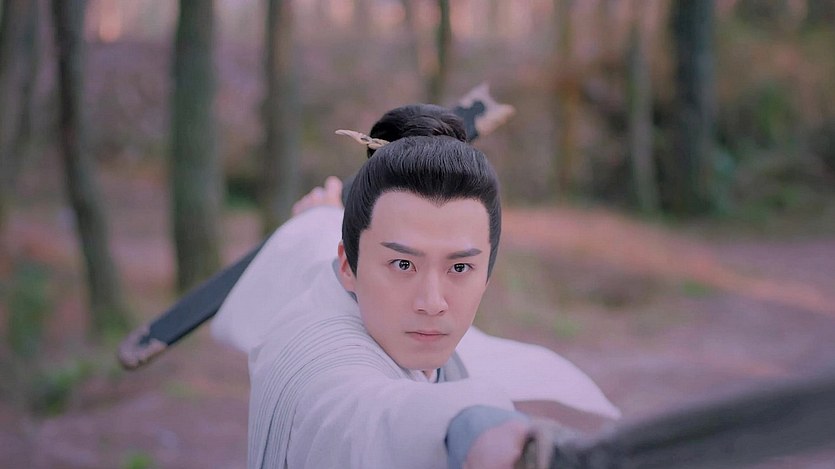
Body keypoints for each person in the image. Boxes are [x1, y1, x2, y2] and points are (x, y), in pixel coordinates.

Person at [212, 105, 619, 468]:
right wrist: (474, 426)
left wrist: (316, 222)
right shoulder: (324, 364)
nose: (432, 302)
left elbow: (311, 249)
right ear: (348, 265)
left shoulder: (322, 267)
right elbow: (373, 419)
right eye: (403, 264)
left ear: (487, 274)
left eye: (460, 267)